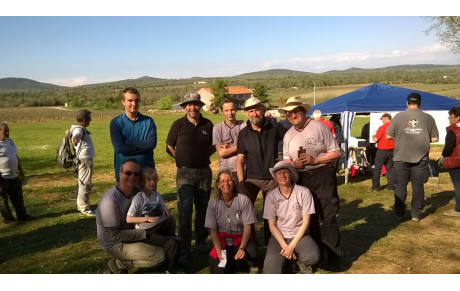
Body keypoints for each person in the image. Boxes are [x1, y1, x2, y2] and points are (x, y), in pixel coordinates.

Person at [280, 96, 343, 263]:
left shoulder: (319, 127)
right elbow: (286, 160)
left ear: (303, 111)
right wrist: (294, 163)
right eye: (289, 113)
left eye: (296, 111)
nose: (293, 115)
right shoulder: (288, 135)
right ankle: (317, 253)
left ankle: (334, 254)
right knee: (309, 217)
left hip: (323, 175)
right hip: (301, 178)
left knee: (328, 216)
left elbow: (336, 152)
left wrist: (315, 160)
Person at [166, 92, 215, 265]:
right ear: (185, 107)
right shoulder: (178, 124)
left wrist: (202, 157)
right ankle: (184, 246)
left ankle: (201, 242)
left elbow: (214, 146)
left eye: (196, 104)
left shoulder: (208, 124)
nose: (192, 107)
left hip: (204, 173)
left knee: (202, 210)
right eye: (189, 104)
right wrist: (181, 159)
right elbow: (169, 145)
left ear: (200, 106)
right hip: (184, 174)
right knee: (185, 212)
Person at [96, 159, 166, 274]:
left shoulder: (136, 190)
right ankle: (120, 263)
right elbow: (115, 236)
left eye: (136, 174)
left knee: (169, 221)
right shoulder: (109, 201)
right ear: (120, 174)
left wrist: (162, 210)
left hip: (133, 229)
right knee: (159, 256)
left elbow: (152, 201)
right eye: (128, 173)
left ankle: (172, 246)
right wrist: (145, 233)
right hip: (115, 244)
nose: (132, 177)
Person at [236, 97, 287, 245]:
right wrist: (241, 182)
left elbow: (291, 139)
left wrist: (285, 160)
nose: (254, 113)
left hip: (272, 178)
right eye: (250, 111)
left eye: (257, 109)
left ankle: (270, 242)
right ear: (246, 114)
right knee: (246, 213)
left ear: (263, 110)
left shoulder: (275, 127)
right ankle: (250, 243)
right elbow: (239, 160)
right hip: (251, 179)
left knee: (272, 213)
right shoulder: (243, 134)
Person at [386, 92, 439, 222]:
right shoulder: (428, 118)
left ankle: (399, 213)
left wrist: (399, 137)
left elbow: (388, 136)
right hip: (420, 158)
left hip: (401, 157)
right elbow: (435, 138)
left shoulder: (398, 117)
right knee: (418, 186)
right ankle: (416, 214)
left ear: (407, 103)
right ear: (420, 103)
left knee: (400, 185)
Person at [263, 161, 320, 274]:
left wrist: (292, 246)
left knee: (313, 256)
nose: (282, 175)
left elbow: (306, 223)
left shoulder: (304, 192)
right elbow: (272, 226)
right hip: (279, 237)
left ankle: (301, 262)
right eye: (279, 173)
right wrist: (285, 246)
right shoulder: (271, 196)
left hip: (300, 235)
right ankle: (289, 261)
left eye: (285, 172)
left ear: (291, 175)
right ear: (275, 177)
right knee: (270, 271)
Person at [126, 167, 181, 273]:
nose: (152, 182)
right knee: (171, 244)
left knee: (176, 237)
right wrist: (146, 219)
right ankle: (173, 269)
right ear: (142, 181)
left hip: (156, 225)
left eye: (154, 180)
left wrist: (166, 210)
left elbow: (162, 207)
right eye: (149, 180)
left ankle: (168, 264)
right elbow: (129, 219)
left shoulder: (156, 195)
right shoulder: (139, 198)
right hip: (144, 231)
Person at [205, 170, 259, 274]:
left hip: (241, 238)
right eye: (222, 181)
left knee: (252, 254)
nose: (226, 184)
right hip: (223, 241)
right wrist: (219, 251)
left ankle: (249, 264)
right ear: (218, 185)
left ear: (233, 183)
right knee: (219, 270)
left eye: (229, 180)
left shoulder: (243, 200)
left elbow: (248, 227)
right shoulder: (213, 204)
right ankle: (229, 262)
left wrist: (242, 247)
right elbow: (213, 231)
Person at [110, 87, 157, 181]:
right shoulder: (116, 123)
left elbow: (151, 144)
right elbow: (119, 148)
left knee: (147, 196)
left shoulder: (148, 121)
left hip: (146, 172)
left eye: (136, 100)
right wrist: (143, 146)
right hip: (125, 173)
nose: (134, 104)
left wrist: (127, 142)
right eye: (130, 100)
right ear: (123, 102)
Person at [0, 122, 34, 226]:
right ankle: (8, 219)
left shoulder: (10, 142)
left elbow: (15, 156)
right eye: (4, 131)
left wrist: (21, 170)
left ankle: (22, 216)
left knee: (18, 197)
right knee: (2, 200)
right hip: (2, 177)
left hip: (14, 176)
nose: (7, 134)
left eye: (8, 131)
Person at [69, 109, 96, 216]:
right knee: (85, 183)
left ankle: (80, 205)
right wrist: (75, 139)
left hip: (82, 159)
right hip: (85, 160)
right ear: (84, 120)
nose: (91, 120)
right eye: (89, 118)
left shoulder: (78, 128)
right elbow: (77, 135)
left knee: (81, 183)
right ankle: (84, 207)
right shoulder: (79, 130)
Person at [212, 98, 246, 181]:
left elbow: (249, 147)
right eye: (226, 110)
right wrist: (239, 147)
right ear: (222, 111)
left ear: (236, 110)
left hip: (244, 168)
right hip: (226, 171)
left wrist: (230, 147)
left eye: (232, 109)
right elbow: (221, 153)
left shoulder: (244, 126)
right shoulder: (217, 129)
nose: (230, 113)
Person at [438, 107, 460, 217]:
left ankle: (458, 209)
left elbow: (448, 148)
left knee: (458, 185)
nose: (449, 118)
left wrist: (443, 155)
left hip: (456, 162)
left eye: (451, 116)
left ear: (458, 118)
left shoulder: (452, 131)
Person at [371, 113, 395, 192]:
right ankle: (391, 186)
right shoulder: (395, 127)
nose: (382, 121)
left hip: (382, 150)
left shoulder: (382, 127)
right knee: (390, 169)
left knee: (377, 168)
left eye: (382, 119)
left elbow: (375, 140)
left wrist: (373, 136)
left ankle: (375, 187)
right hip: (392, 150)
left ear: (385, 119)